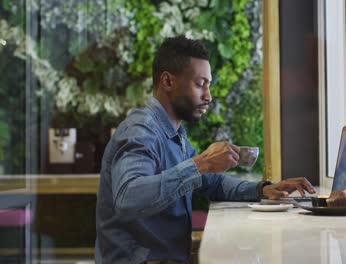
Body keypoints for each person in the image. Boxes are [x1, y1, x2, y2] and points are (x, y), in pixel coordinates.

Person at [95, 36, 315, 264]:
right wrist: (203, 163)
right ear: (168, 81)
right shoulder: (141, 131)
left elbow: (210, 182)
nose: (208, 96)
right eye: (200, 84)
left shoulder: (174, 133)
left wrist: (263, 189)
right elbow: (127, 198)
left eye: (208, 85)